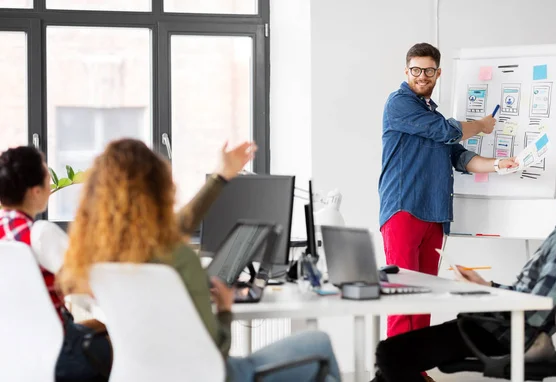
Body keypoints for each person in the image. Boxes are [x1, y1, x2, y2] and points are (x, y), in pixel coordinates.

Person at [58, 138, 341, 382]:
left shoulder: (99, 262)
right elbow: (216, 350)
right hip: (213, 376)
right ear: (159, 191)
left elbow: (179, 225)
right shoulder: (178, 259)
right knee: (320, 342)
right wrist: (225, 310)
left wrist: (222, 176)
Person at [373, 158, 556, 382]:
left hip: (503, 333)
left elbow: (537, 306)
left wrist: (487, 299)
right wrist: (487, 286)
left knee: (389, 354)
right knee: (387, 371)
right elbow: (534, 296)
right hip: (499, 326)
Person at [378, 42, 518, 344]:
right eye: (416, 69)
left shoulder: (434, 116)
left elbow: (461, 157)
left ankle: (416, 370)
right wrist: (481, 125)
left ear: (438, 72)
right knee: (403, 298)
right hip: (404, 210)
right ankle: (395, 375)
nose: (422, 75)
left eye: (428, 70)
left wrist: (498, 165)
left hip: (435, 214)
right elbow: (446, 131)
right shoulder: (398, 104)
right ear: (406, 71)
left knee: (424, 299)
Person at [0, 146, 111, 380]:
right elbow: (88, 287)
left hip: (11, 355)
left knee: (94, 326)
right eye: (47, 179)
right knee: (122, 349)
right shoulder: (39, 234)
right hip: (58, 354)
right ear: (35, 191)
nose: (51, 186)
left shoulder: (5, 232)